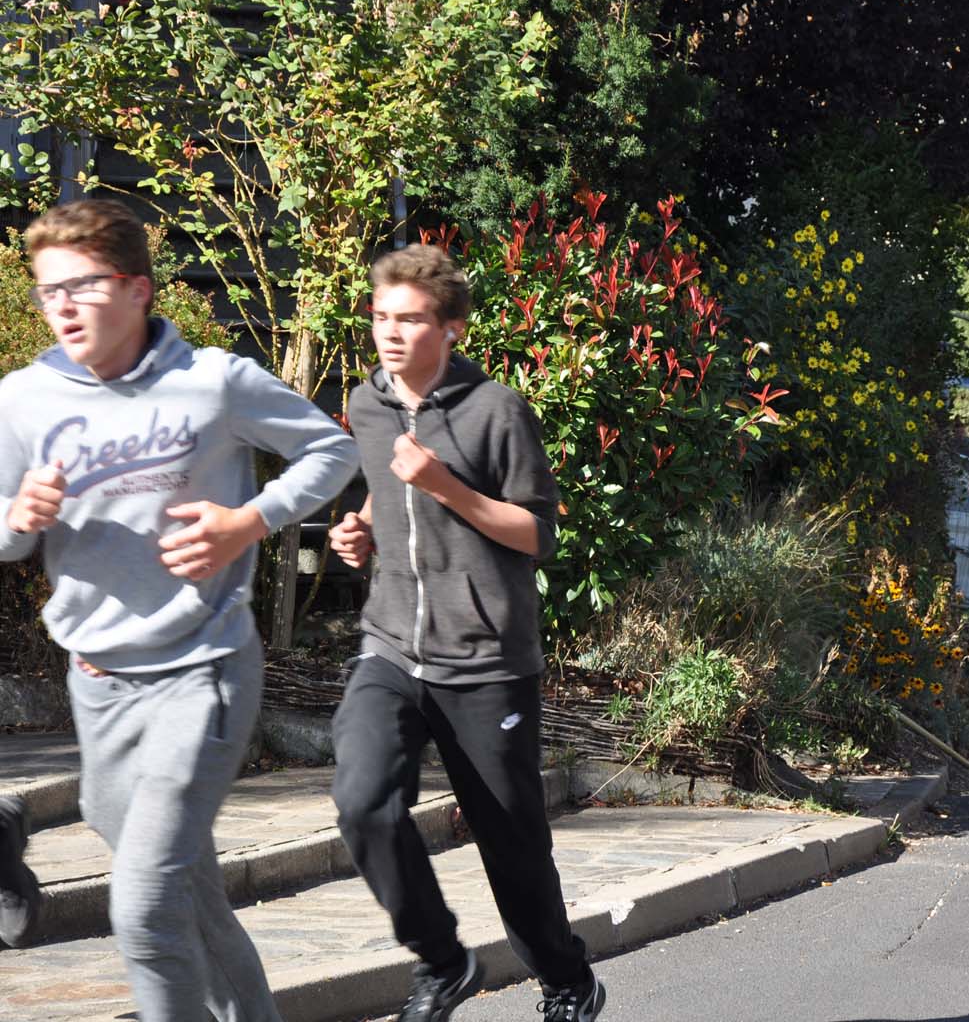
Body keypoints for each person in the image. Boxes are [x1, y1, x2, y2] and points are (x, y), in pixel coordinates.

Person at [0, 199, 359, 1016]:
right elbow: (3, 533)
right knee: (189, 897)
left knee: (145, 909)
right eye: (45, 290)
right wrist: (18, 516)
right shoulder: (21, 399)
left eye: (81, 286)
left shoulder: (214, 383)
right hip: (96, 687)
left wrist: (249, 521)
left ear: (135, 289)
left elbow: (331, 449)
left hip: (203, 674)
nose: (59, 305)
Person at [327, 245, 606, 1022]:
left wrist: (444, 484)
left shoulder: (497, 412)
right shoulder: (370, 401)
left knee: (511, 844)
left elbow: (535, 534)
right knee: (362, 802)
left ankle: (565, 977)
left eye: (409, 320)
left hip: (486, 661)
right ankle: (443, 960)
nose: (389, 333)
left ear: (450, 327)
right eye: (380, 317)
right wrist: (361, 532)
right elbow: (391, 495)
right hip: (391, 642)